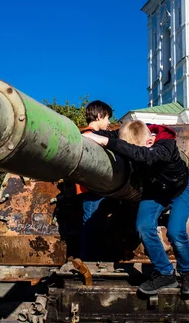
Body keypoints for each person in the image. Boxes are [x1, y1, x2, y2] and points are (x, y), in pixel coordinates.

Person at [83, 120, 189, 295]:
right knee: (144, 227)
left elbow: (145, 156)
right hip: (154, 191)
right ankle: (165, 273)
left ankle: (188, 273)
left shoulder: (165, 145)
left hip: (179, 189)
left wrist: (108, 143)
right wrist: (87, 136)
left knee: (176, 232)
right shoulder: (133, 132)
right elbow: (113, 135)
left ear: (150, 142)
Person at [78, 100, 113, 260]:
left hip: (95, 189)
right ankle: (89, 260)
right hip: (92, 189)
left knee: (96, 224)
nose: (109, 122)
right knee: (91, 225)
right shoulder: (89, 136)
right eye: (107, 118)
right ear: (99, 116)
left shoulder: (84, 135)